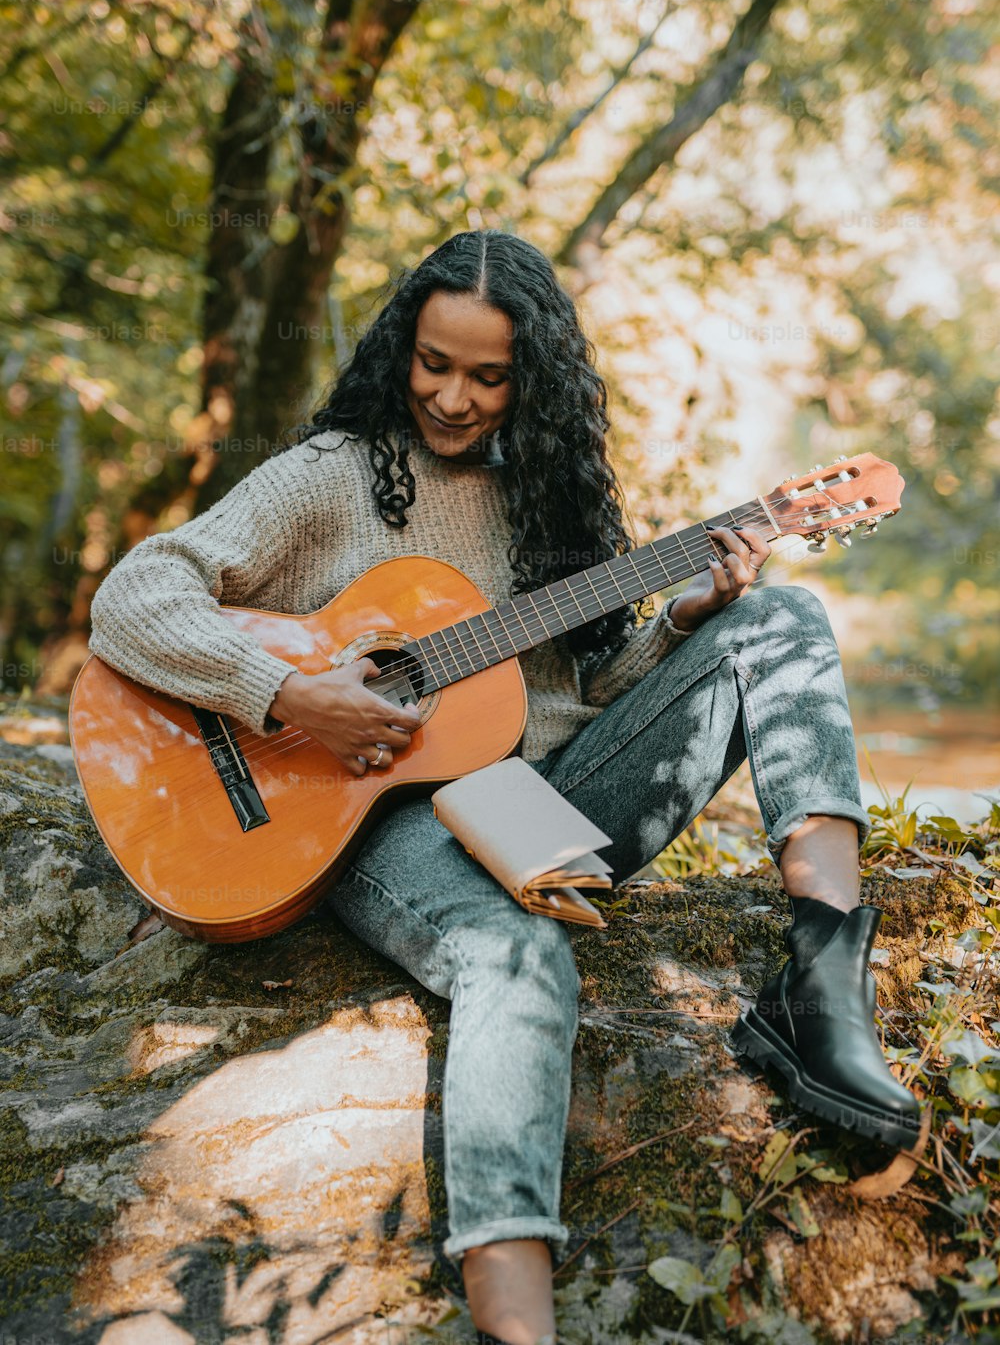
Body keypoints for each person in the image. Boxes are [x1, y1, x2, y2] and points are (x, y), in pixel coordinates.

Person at [88, 229, 923, 1345]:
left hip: (544, 803)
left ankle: (820, 987)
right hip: (382, 820)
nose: (454, 397)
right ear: (402, 348)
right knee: (517, 958)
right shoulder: (332, 477)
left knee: (781, 619)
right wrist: (285, 696)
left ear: (533, 377)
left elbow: (566, 698)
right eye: (435, 363)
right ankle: (514, 1324)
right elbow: (135, 597)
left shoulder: (547, 497)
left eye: (489, 376)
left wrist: (683, 620)